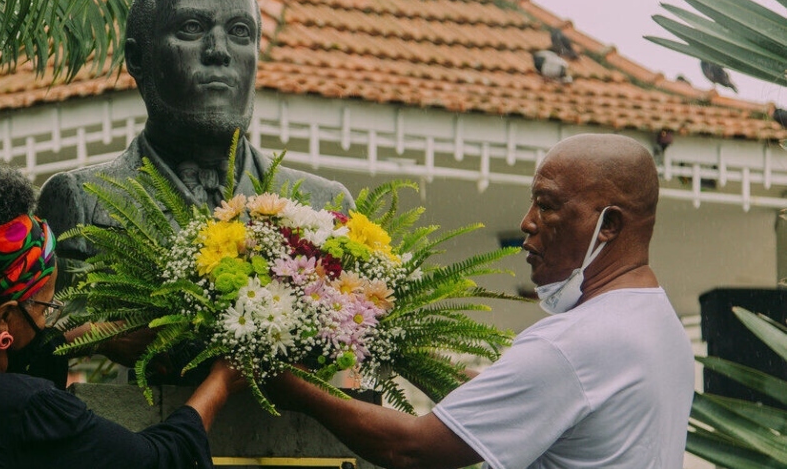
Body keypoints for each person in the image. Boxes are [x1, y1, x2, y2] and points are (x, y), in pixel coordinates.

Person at [266, 134, 695, 468]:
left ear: (609, 225)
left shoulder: (570, 346)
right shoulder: (656, 321)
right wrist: (402, 352)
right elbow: (520, 401)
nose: (527, 223)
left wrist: (290, 383)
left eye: (546, 206)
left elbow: (411, 449)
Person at [0, 161, 243, 469]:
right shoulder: (24, 409)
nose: (48, 320)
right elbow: (159, 459)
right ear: (4, 318)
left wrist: (85, 338)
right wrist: (222, 381)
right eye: (45, 307)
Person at [36, 0, 354, 287]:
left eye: (239, 32)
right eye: (191, 27)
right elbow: (56, 330)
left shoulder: (326, 205)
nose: (219, 51)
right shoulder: (82, 204)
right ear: (137, 59)